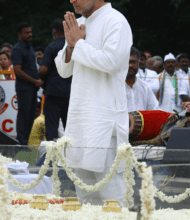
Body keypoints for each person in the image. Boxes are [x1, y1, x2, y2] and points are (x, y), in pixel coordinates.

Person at [54, 0, 132, 207]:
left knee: (114, 197)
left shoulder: (116, 21)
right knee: (85, 197)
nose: (72, 0)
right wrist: (71, 44)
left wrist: (78, 44)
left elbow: (110, 62)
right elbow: (63, 70)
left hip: (104, 121)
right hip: (79, 119)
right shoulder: (78, 25)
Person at [38, 19, 71, 141]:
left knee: (52, 127)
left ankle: (52, 155)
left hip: (53, 92)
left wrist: (40, 78)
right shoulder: (73, 46)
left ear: (54, 31)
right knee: (70, 127)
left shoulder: (51, 47)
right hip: (70, 91)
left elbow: (43, 69)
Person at [12, 22, 44, 146]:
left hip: (32, 87)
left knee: (31, 114)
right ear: (20, 34)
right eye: (27, 32)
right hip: (24, 87)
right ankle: (22, 141)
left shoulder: (30, 47)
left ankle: (29, 140)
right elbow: (17, 70)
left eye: (31, 32)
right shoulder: (17, 49)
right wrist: (34, 81)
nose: (30, 34)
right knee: (24, 114)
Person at [126, 47, 160, 112]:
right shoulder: (113, 86)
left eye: (133, 62)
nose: (130, 65)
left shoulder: (145, 87)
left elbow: (156, 109)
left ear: (138, 63)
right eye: (127, 62)